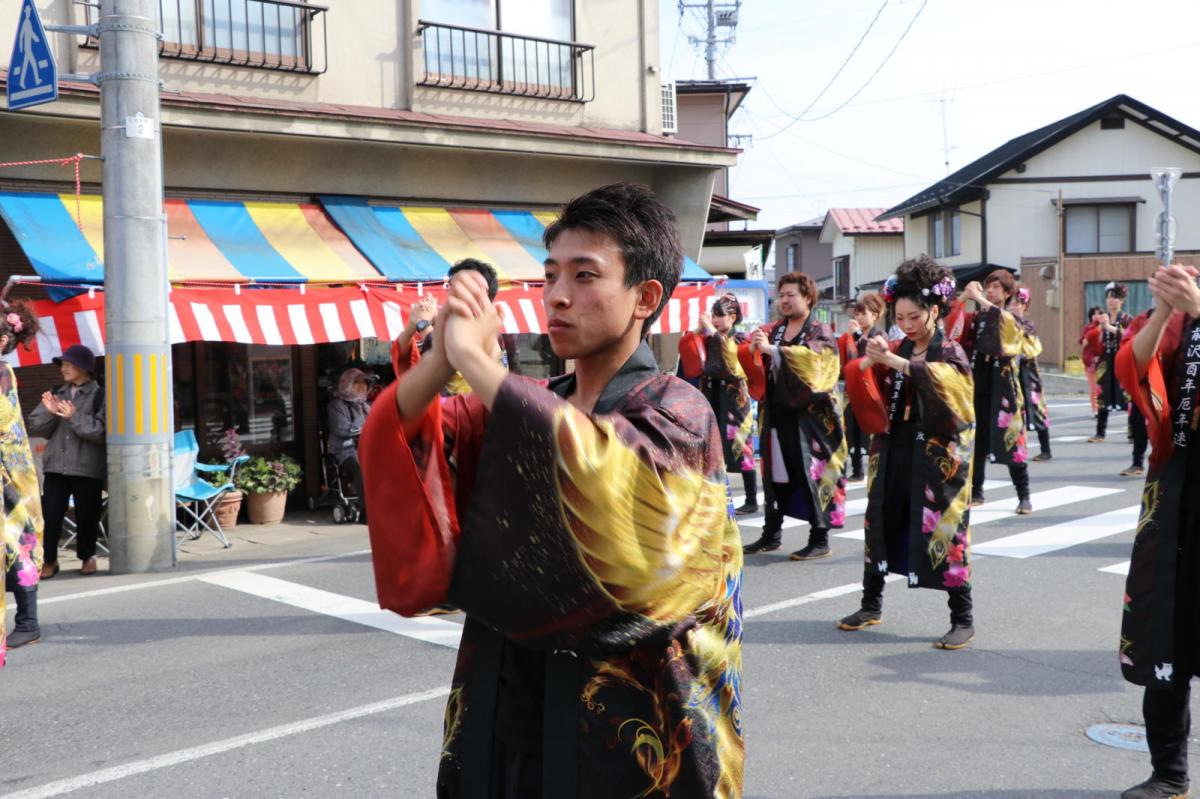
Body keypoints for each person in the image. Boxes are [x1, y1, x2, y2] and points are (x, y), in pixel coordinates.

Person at [360, 183, 743, 798]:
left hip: (625, 724)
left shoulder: (679, 410)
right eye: (550, 276)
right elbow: (404, 434)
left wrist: (482, 366)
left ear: (645, 297)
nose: (558, 297)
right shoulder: (540, 404)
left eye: (585, 276)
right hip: (506, 701)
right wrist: (442, 361)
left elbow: (606, 475)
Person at [837, 257, 976, 650]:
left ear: (934, 311)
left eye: (914, 316)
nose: (907, 324)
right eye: (901, 317)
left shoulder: (949, 351)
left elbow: (957, 397)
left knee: (945, 528)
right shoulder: (896, 344)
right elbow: (868, 382)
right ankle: (870, 604)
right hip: (893, 445)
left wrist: (897, 362)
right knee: (880, 519)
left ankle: (962, 617)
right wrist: (870, 358)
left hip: (935, 455)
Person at [1113, 262, 1200, 799]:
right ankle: (1169, 773)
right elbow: (1134, 368)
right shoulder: (1177, 322)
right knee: (1163, 630)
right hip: (1173, 489)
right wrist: (1166, 311)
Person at [741, 272, 847, 560]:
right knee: (775, 474)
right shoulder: (775, 329)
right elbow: (759, 363)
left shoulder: (818, 330)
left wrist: (774, 351)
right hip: (776, 412)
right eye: (782, 295)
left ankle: (819, 537)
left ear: (808, 298)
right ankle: (771, 533)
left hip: (810, 418)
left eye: (791, 295)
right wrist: (755, 350)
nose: (785, 300)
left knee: (811, 473)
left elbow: (818, 364)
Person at [956, 271, 1033, 514]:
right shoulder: (976, 317)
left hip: (1004, 388)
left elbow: (1007, 326)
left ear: (1008, 293)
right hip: (977, 385)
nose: (990, 291)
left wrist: (978, 298)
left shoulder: (1011, 316)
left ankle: (1024, 495)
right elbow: (952, 327)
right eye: (988, 286)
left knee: (1012, 440)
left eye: (997, 287)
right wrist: (963, 298)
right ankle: (976, 491)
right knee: (975, 441)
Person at [28, 344, 105, 577]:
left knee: (87, 515)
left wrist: (74, 417)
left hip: (87, 465)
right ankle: (49, 560)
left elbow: (101, 432)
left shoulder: (100, 394)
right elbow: (34, 425)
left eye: (69, 364)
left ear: (85, 368)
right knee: (50, 514)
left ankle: (88, 556)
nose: (64, 369)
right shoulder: (57, 392)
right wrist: (50, 412)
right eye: (63, 364)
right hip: (55, 465)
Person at [1, 302, 44, 663]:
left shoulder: (1, 372)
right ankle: (27, 621)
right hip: (10, 470)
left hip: (8, 476)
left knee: (17, 546)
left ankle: (28, 622)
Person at [692, 292, 761, 514]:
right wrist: (697, 332)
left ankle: (751, 499)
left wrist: (712, 333)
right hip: (712, 394)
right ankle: (716, 495)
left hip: (734, 398)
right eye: (713, 315)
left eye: (720, 315)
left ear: (733, 317)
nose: (715, 320)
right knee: (711, 445)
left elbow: (734, 360)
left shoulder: (740, 338)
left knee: (741, 444)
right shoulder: (708, 336)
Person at [837, 293, 885, 481]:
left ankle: (867, 468)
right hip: (852, 388)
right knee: (850, 428)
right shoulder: (852, 336)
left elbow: (874, 355)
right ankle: (854, 468)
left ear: (875, 315)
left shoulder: (879, 335)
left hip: (870, 388)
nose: (859, 318)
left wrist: (857, 335)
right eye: (857, 314)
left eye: (863, 314)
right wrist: (849, 336)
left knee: (869, 429)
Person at [1084, 282, 1134, 443]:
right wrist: (1099, 327)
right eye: (1109, 298)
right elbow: (1089, 337)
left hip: (1122, 359)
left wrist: (1109, 327)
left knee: (1128, 396)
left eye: (1115, 298)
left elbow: (1129, 335)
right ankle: (1100, 433)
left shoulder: (1126, 318)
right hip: (1105, 360)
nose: (1111, 301)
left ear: (1122, 301)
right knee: (1102, 394)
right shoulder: (1101, 318)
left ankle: (1132, 432)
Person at [1010, 287, 1052, 461]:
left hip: (1029, 374)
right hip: (1012, 373)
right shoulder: (1003, 323)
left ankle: (1046, 449)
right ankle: (1015, 449)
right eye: (1012, 302)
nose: (1015, 306)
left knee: (1037, 409)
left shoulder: (1028, 325)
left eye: (1019, 303)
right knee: (1013, 413)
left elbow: (1031, 350)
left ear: (1025, 306)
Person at [327, 367, 374, 522]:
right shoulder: (336, 405)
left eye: (364, 383)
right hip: (345, 450)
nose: (362, 387)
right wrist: (364, 426)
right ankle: (367, 511)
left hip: (367, 448)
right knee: (362, 466)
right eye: (357, 383)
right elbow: (341, 428)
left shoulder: (366, 405)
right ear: (347, 384)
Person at [1081, 306, 1105, 414]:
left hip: (1102, 361)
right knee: (1093, 388)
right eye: (1094, 314)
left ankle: (1101, 408)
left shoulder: (1105, 328)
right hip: (1090, 362)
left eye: (1099, 313)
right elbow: (1084, 341)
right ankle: (1095, 409)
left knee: (1102, 387)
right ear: (1090, 316)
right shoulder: (1088, 328)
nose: (1096, 316)